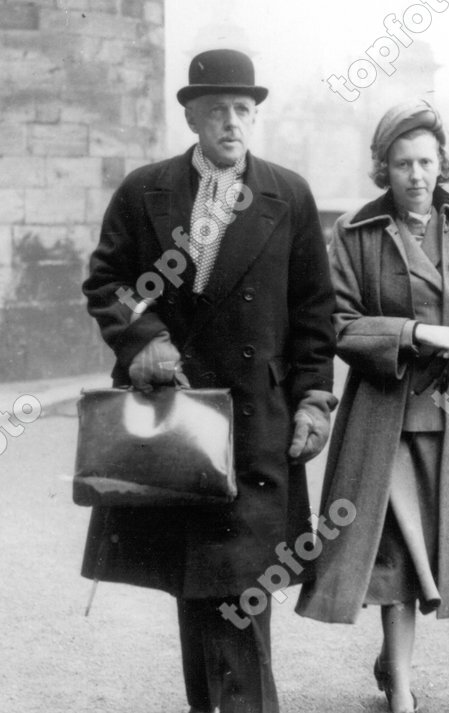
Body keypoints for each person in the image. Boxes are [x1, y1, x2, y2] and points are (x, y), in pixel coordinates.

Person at [80, 49, 337, 713]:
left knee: (238, 592)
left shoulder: (290, 195)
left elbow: (315, 312)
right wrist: (146, 343)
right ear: (192, 116)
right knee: (196, 585)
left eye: (244, 110)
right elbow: (107, 282)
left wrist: (313, 399)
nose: (232, 122)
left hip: (258, 422)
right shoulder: (146, 191)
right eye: (217, 109)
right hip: (177, 417)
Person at [295, 99, 449, 713]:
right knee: (394, 553)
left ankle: (393, 665)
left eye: (425, 162)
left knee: (436, 549)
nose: (416, 175)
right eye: (402, 164)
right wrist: (414, 335)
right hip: (383, 416)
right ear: (384, 169)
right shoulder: (354, 233)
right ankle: (400, 688)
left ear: (442, 163)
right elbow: (336, 323)